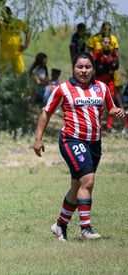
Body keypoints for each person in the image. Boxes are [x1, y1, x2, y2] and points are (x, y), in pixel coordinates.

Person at [33, 52, 125, 242]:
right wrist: (38, 139)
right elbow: (46, 113)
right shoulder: (63, 89)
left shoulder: (102, 88)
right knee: (88, 181)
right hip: (72, 140)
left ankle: (60, 225)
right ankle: (86, 228)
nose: (83, 71)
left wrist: (117, 112)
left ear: (93, 69)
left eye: (87, 67)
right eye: (80, 67)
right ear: (73, 68)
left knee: (78, 186)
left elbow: (110, 108)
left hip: (95, 143)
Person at [93, 36, 120, 133]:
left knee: (110, 102)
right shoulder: (97, 54)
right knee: (97, 102)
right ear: (102, 43)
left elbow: (116, 66)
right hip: (99, 80)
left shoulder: (113, 54)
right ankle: (96, 124)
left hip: (110, 81)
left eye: (109, 43)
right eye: (105, 42)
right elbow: (96, 66)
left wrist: (105, 67)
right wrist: (106, 68)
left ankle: (109, 126)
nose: (107, 44)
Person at [0, 6, 31, 74]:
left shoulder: (18, 22)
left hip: (16, 54)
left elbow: (28, 31)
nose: (5, 16)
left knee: (19, 75)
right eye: (3, 14)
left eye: (7, 13)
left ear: (10, 13)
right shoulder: (1, 24)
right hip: (4, 55)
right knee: (4, 76)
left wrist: (25, 46)